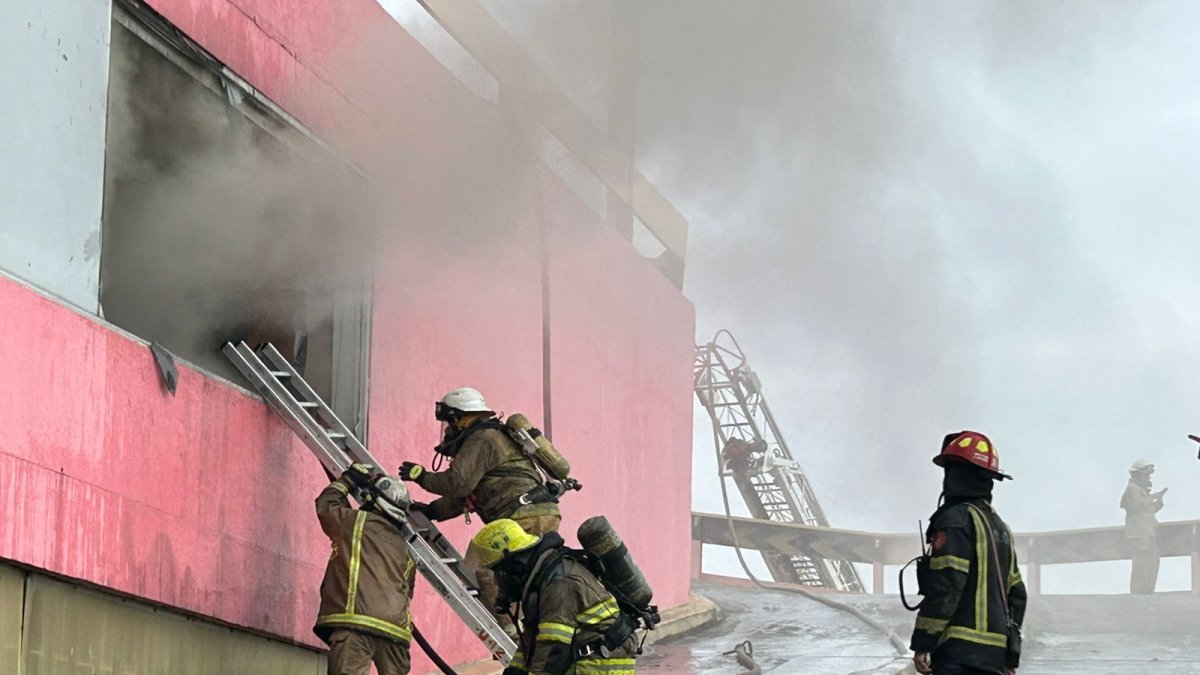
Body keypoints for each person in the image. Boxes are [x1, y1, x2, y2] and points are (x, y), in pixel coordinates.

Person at [398, 388, 562, 631]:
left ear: (461, 418)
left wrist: (421, 476)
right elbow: (466, 496)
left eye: (449, 423)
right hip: (536, 512)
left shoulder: (482, 438)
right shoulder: (493, 438)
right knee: (523, 575)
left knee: (489, 571)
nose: (447, 430)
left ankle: (512, 638)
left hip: (523, 516)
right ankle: (530, 630)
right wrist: (431, 511)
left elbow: (457, 483)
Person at [910, 431, 1026, 675]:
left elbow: (947, 586)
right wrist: (1010, 657)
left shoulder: (956, 520)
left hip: (958, 657)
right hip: (993, 658)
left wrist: (923, 642)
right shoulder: (1000, 528)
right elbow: (1017, 595)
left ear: (955, 474)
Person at [472, 519, 639, 675]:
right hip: (583, 655)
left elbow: (554, 648)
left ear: (514, 565)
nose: (498, 580)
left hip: (600, 662)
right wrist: (515, 671)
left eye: (499, 572)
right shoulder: (541, 579)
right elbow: (532, 641)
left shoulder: (558, 581)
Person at [315, 463, 417, 675]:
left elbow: (326, 505)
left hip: (356, 624)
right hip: (396, 632)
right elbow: (408, 591)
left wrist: (347, 480)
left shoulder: (356, 522)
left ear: (372, 500)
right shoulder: (404, 550)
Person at [1121, 459, 1166, 594]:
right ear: (1138, 475)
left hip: (1148, 533)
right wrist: (1152, 497)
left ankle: (1147, 593)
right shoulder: (1132, 490)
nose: (1148, 478)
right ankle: (1138, 595)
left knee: (1151, 564)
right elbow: (1133, 507)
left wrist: (1158, 503)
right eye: (1146, 475)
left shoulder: (1141, 491)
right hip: (1139, 534)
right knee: (1141, 565)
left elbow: (1145, 512)